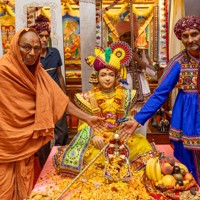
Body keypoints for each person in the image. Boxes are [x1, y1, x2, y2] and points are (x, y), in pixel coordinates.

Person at [0, 28, 104, 200]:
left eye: (37, 48)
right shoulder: (4, 71)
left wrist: (87, 118)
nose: (32, 53)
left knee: (25, 183)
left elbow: (61, 100)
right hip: (5, 144)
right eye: (27, 47)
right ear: (15, 46)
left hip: (25, 143)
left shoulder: (38, 72)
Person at [119, 16, 200, 185]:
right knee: (190, 169)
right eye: (185, 36)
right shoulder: (178, 62)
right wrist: (137, 120)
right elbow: (159, 94)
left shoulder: (142, 54)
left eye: (194, 34)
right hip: (188, 119)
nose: (190, 39)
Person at [53, 41, 153, 177]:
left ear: (117, 77)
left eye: (111, 75)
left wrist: (129, 120)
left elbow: (127, 118)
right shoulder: (87, 97)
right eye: (103, 75)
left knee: (143, 146)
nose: (107, 79)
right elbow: (83, 123)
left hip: (120, 138)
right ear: (97, 76)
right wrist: (94, 136)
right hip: (99, 138)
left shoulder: (127, 95)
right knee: (89, 155)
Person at [30, 15, 68, 168]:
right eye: (41, 36)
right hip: (40, 102)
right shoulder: (32, 57)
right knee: (43, 138)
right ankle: (46, 168)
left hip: (57, 99)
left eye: (47, 36)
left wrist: (65, 97)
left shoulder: (55, 53)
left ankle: (60, 161)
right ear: (36, 37)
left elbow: (59, 75)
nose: (45, 39)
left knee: (63, 133)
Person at [114, 18, 156, 137]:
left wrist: (138, 60)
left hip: (142, 95)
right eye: (125, 35)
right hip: (122, 93)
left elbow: (153, 73)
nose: (127, 38)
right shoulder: (115, 53)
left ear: (135, 37)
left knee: (141, 126)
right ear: (120, 39)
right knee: (123, 127)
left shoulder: (141, 52)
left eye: (130, 35)